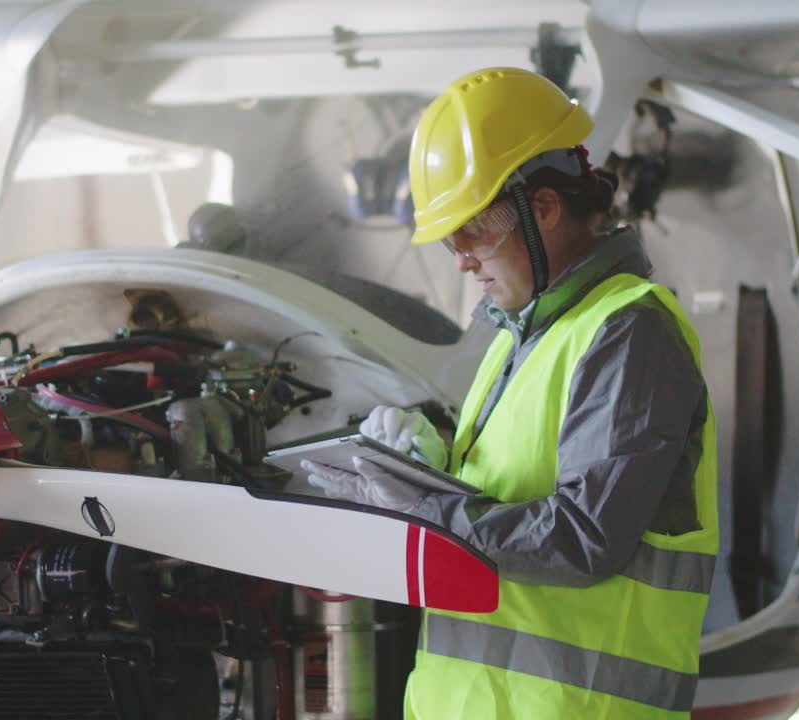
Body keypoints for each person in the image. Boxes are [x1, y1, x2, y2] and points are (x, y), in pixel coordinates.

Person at [301, 67, 718, 719]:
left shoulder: (628, 332)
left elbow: (582, 536)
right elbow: (509, 493)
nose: (460, 259)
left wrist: (424, 509)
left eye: (470, 231)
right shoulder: (515, 336)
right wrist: (426, 467)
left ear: (544, 209)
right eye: (448, 241)